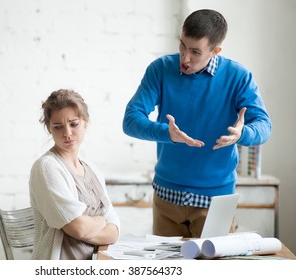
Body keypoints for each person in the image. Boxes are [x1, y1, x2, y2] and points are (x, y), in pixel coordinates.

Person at [122, 9, 272, 238]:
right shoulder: (160, 69)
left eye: (195, 51)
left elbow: (264, 126)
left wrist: (243, 133)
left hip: (215, 200)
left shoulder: (239, 76)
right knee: (170, 273)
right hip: (166, 196)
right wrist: (166, 132)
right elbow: (131, 120)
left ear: (215, 51)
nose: (185, 58)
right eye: (182, 46)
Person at [29, 89, 120, 259]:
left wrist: (86, 228)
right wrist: (100, 221)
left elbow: (114, 231)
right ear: (49, 129)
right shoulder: (47, 167)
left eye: (74, 124)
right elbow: (79, 228)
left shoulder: (92, 170)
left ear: (85, 122)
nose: (67, 133)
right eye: (58, 126)